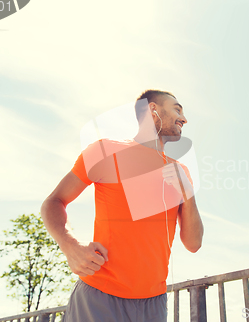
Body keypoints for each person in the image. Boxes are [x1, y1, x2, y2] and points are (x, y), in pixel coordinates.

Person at [40, 89, 204, 322]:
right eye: (177, 109)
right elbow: (53, 202)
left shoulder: (181, 171)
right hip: (99, 298)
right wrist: (69, 245)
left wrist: (188, 193)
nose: (184, 119)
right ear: (153, 110)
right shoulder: (104, 150)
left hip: (154, 305)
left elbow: (194, 243)